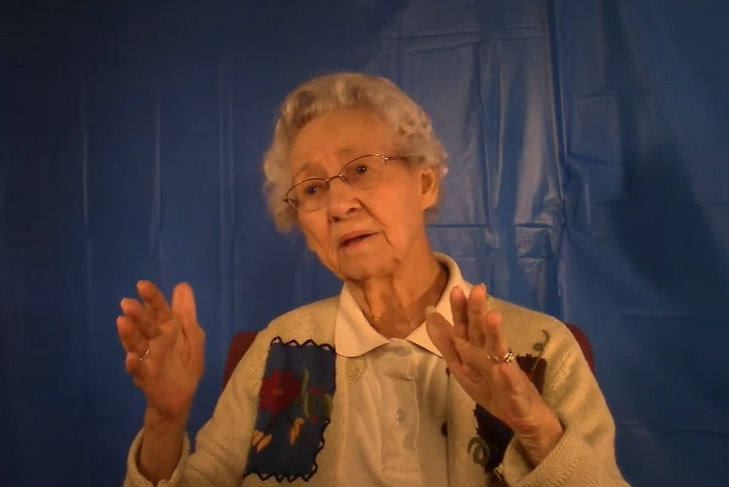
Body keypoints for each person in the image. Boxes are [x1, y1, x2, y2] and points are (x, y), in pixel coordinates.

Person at [118, 72, 630, 487]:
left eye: (361, 170)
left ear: (425, 183)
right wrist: (166, 421)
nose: (339, 205)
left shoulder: (539, 350)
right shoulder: (279, 351)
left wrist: (535, 429)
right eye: (313, 189)